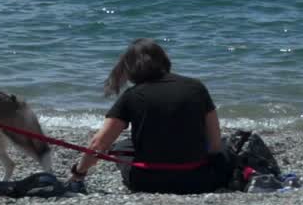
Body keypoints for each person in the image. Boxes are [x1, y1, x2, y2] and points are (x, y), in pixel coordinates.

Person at [68, 38, 232, 194]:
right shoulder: (196, 87)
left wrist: (78, 173)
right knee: (225, 146)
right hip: (198, 180)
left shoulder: (132, 95)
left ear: (130, 68)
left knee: (121, 147)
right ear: (164, 60)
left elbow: (99, 144)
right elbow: (215, 144)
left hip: (147, 181)